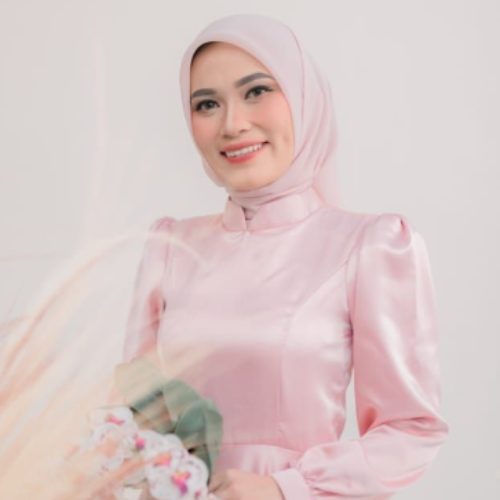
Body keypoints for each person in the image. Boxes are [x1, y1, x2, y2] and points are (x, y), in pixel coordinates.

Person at [122, 13, 450, 500]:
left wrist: (283, 487)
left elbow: (411, 430)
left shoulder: (371, 246)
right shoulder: (170, 249)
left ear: (303, 99)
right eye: (207, 103)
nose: (233, 124)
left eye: (256, 91)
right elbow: (131, 422)